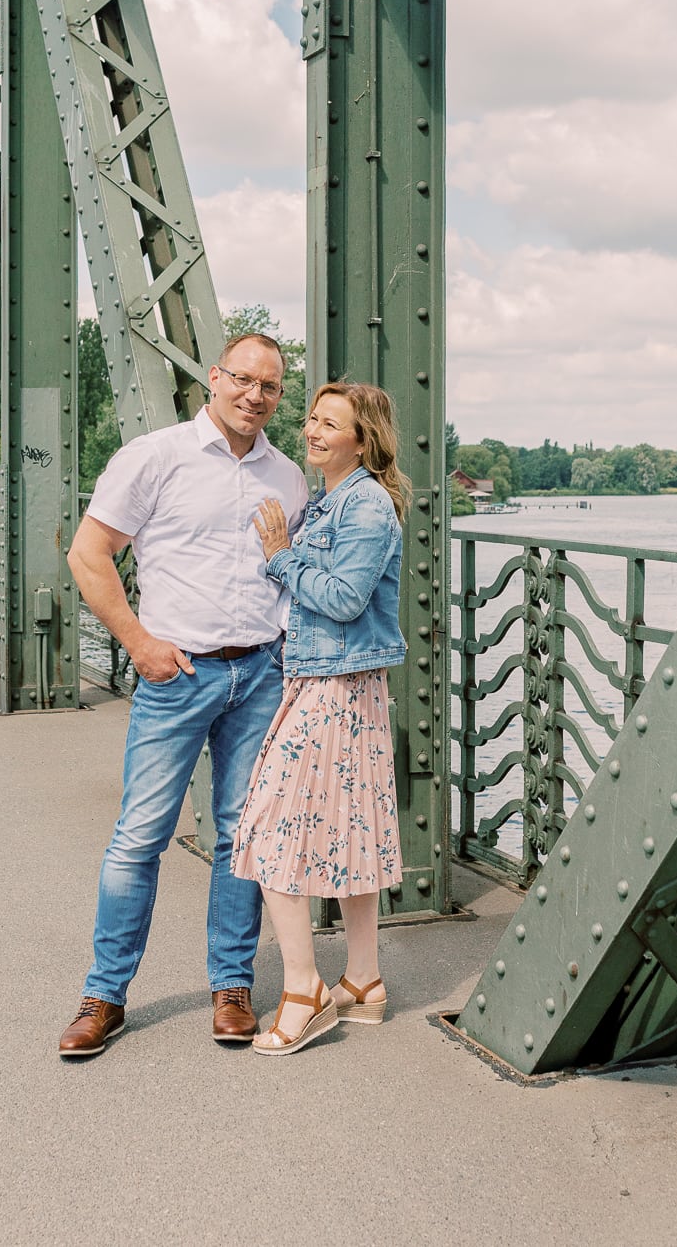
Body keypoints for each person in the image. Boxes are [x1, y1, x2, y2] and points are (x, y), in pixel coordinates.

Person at [58, 332, 308, 1058]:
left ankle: (231, 987)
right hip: (178, 674)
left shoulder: (287, 477)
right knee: (140, 835)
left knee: (239, 836)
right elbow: (88, 552)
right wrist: (139, 644)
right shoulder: (155, 456)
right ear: (215, 377)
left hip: (260, 671)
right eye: (243, 379)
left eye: (269, 386)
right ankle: (104, 996)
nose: (254, 395)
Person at [232, 380, 408, 1056]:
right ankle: (361, 981)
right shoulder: (335, 498)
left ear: (362, 440)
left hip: (336, 683)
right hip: (333, 680)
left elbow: (340, 599)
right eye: (310, 417)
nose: (311, 430)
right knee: (353, 825)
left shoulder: (364, 505)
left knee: (270, 825)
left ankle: (303, 990)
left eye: (329, 423)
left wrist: (280, 557)